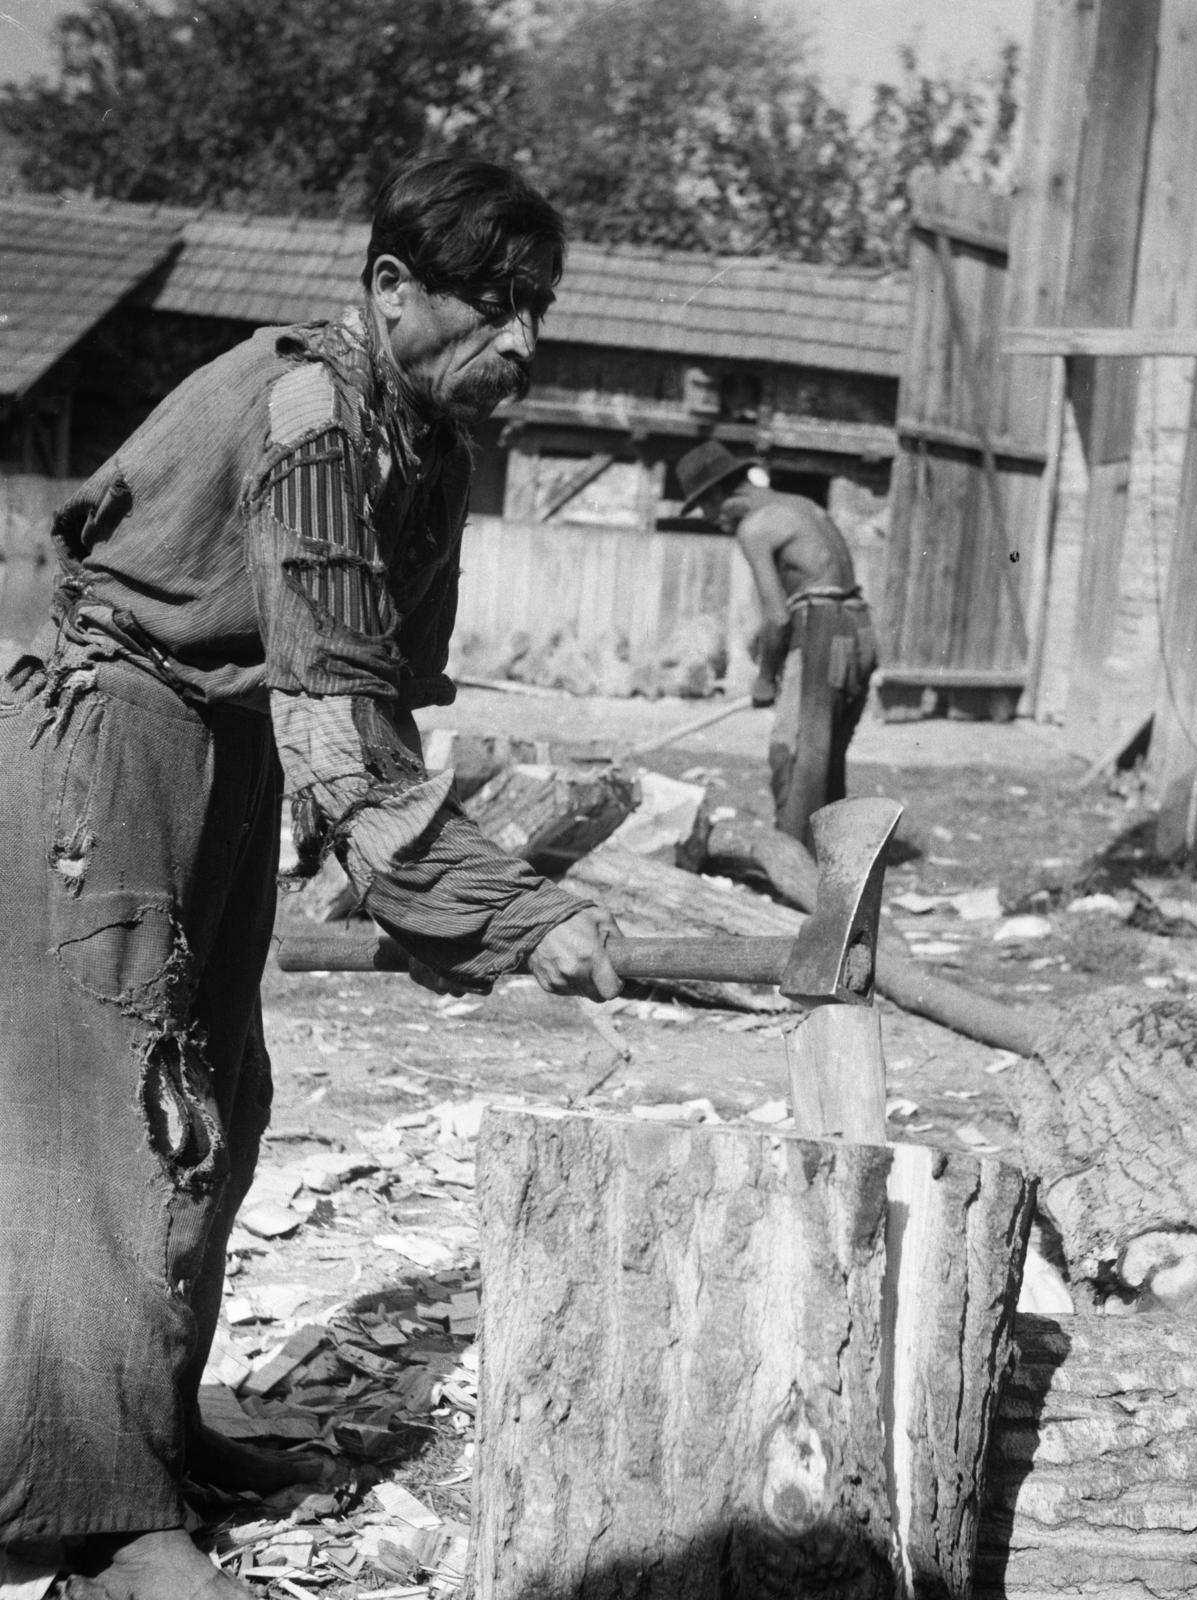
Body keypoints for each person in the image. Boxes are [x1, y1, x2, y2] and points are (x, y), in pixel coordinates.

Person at [0, 153, 621, 1600]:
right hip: (116, 730)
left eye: (538, 308)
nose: (521, 337)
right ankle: (94, 1515)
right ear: (393, 289)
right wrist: (510, 912)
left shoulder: (435, 443)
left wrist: (439, 884)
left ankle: (150, 1432)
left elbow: (378, 701)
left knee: (230, 1090)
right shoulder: (309, 413)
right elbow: (340, 709)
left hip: (229, 746)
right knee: (123, 1111)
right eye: (492, 302)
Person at [675, 442, 877, 848]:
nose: (712, 520)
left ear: (721, 493)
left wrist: (766, 678)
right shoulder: (802, 506)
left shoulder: (755, 527)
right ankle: (829, 865)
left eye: (706, 507)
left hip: (822, 627)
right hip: (859, 626)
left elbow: (779, 617)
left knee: (794, 757)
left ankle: (793, 873)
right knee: (824, 761)